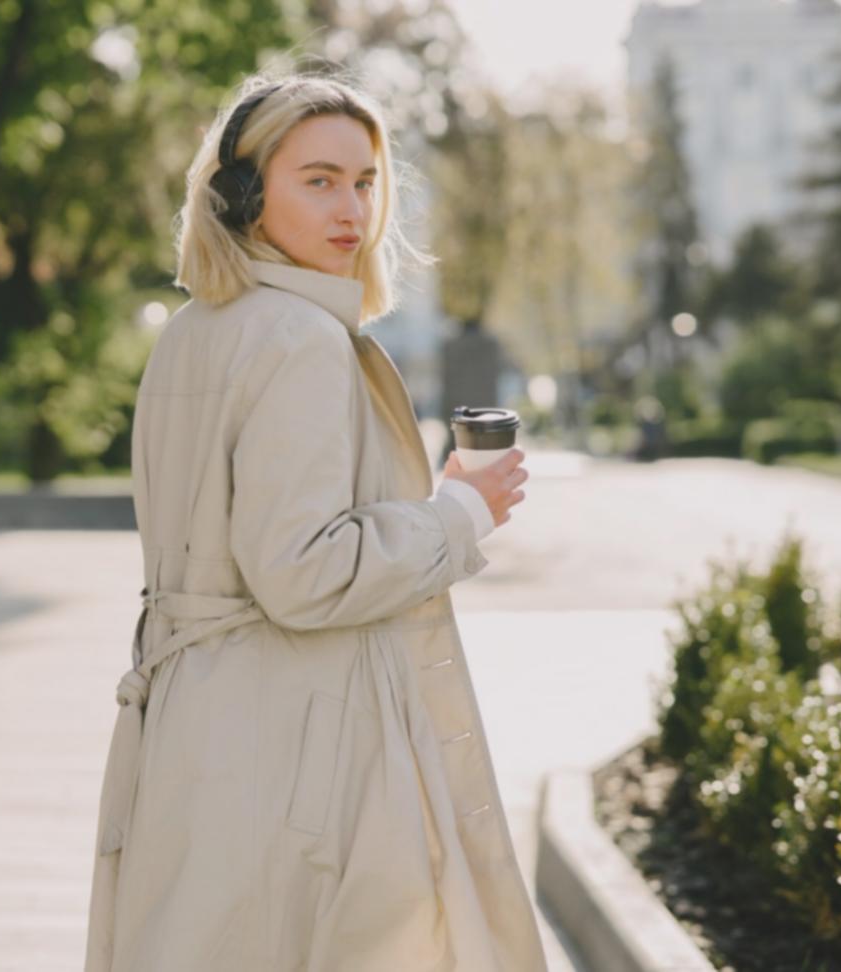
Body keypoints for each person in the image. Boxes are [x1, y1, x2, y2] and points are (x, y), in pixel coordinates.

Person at [85, 71, 546, 972]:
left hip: (193, 730)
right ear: (243, 194)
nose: (353, 209)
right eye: (319, 180)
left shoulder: (196, 328)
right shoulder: (299, 338)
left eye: (367, 182)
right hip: (296, 739)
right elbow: (299, 571)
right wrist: (459, 511)